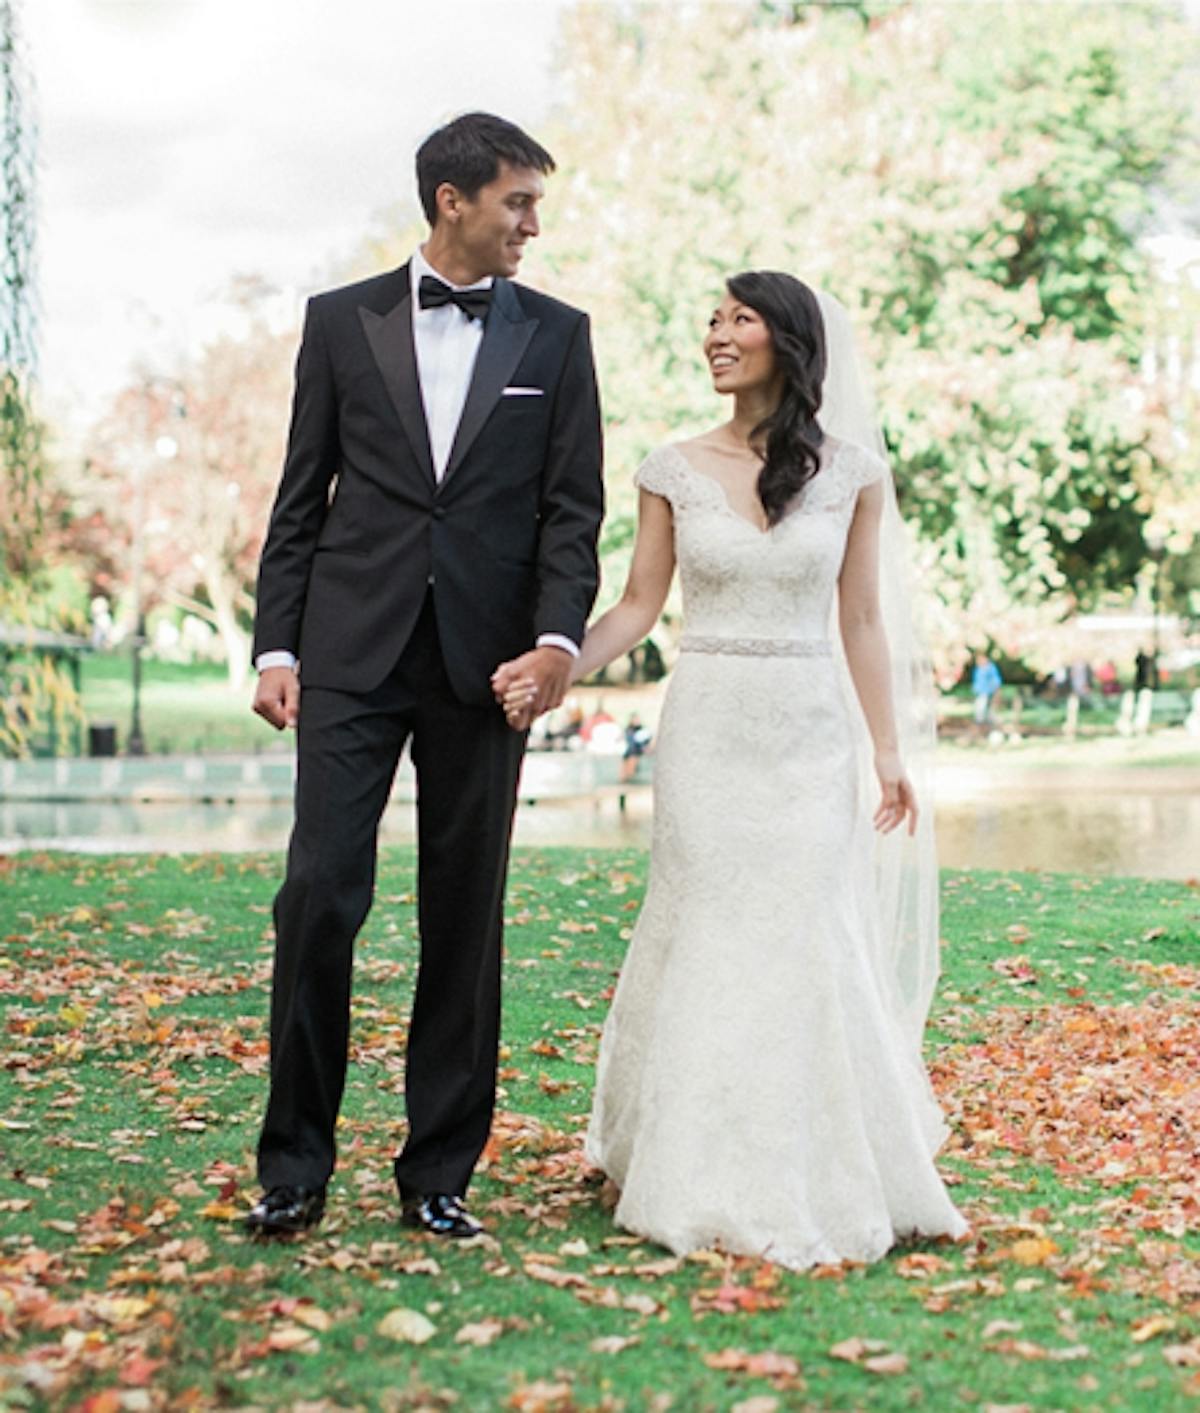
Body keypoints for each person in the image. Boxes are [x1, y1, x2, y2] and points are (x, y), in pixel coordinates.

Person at [497, 271, 967, 1268]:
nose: (715, 335)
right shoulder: (671, 467)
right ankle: (680, 1156)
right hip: (708, 727)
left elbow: (865, 620)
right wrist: (558, 664)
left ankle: (814, 1161)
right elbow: (635, 607)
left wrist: (887, 752)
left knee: (802, 930)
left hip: (809, 731)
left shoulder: (853, 473)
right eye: (710, 319)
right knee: (707, 924)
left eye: (737, 320)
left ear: (785, 343)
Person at [244, 113, 604, 1240]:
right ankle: (293, 1166)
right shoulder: (338, 322)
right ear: (452, 200)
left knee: (466, 915)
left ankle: (438, 1172)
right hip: (350, 655)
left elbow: (572, 514)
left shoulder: (557, 335)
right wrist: (276, 645)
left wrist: (553, 644)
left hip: (487, 668)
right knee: (318, 897)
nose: (531, 225)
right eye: (517, 202)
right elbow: (302, 499)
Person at [971, 651, 1002, 730]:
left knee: (987, 710)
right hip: (980, 693)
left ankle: (993, 726)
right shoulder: (978, 669)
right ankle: (981, 725)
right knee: (979, 710)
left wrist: (996, 692)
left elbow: (996, 681)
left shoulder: (990, 668)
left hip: (988, 693)